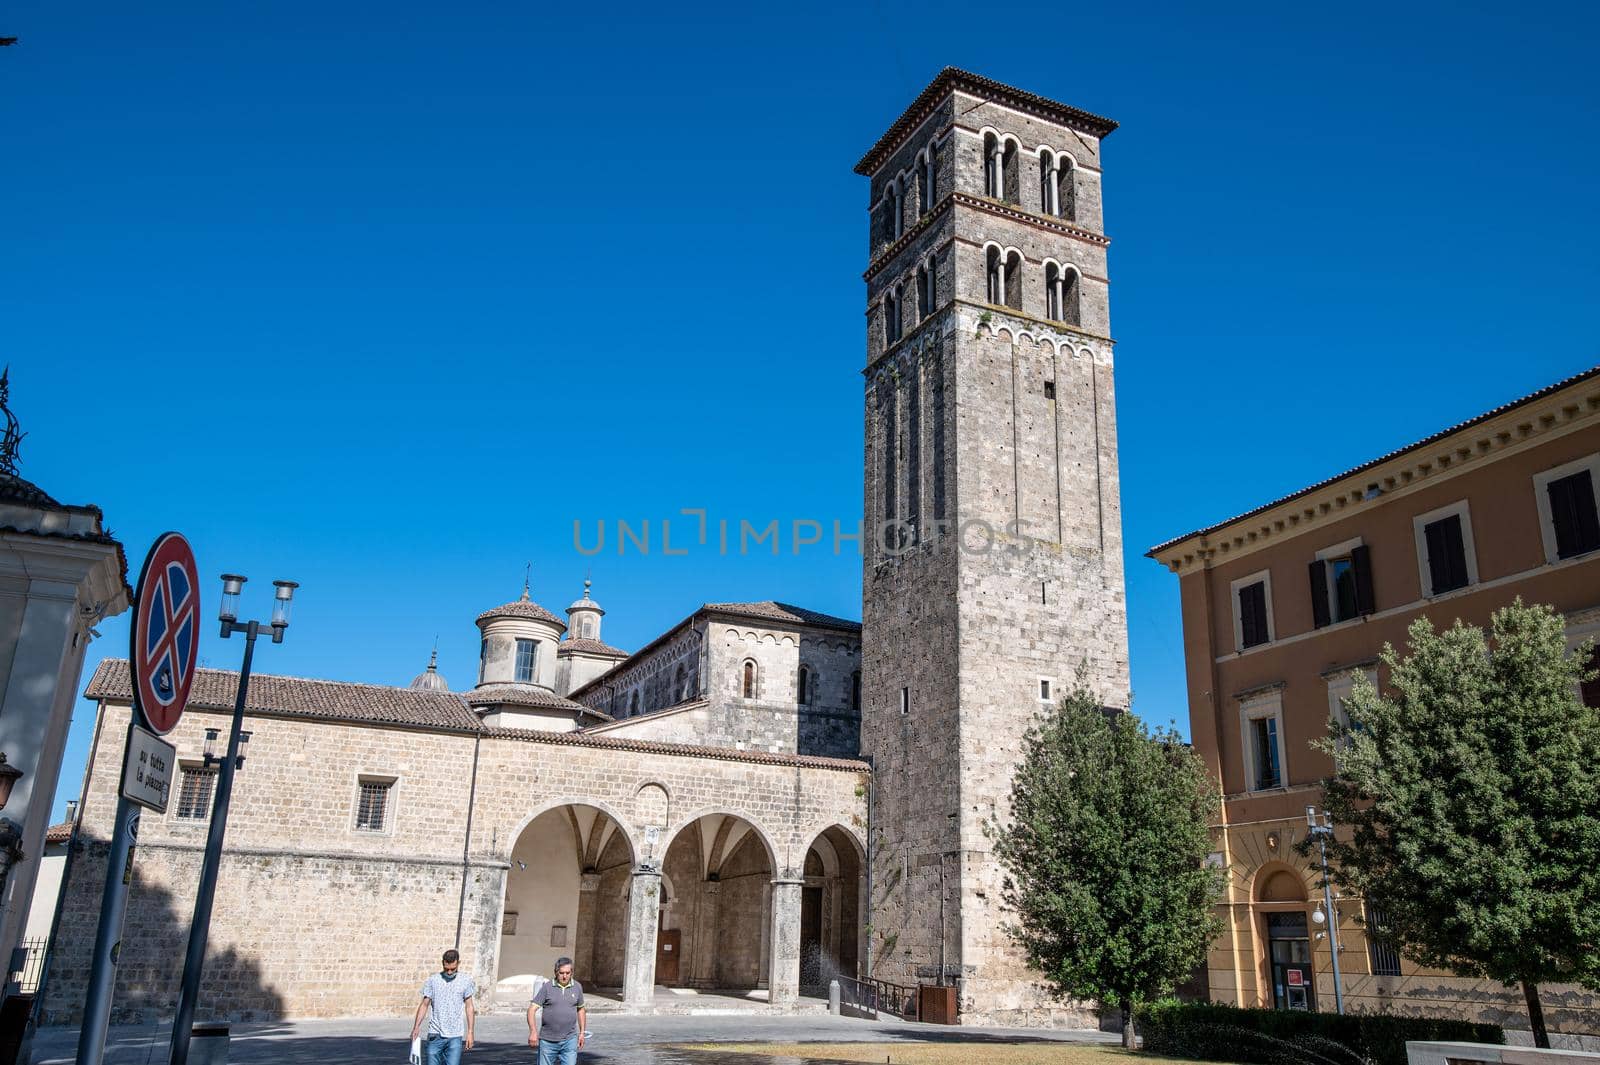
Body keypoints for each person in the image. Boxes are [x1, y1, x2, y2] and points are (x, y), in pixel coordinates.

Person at [411, 948, 476, 1064]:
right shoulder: (433, 980)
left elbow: (469, 1007)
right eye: (446, 969)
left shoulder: (466, 981)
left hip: (455, 1035)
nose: (449, 972)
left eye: (453, 969)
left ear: (458, 963)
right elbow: (424, 1005)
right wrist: (416, 1027)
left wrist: (470, 1032)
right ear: (442, 963)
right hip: (435, 1034)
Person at [526, 956, 586, 1065]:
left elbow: (581, 1009)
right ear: (556, 972)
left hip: (569, 1040)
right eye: (561, 973)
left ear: (571, 972)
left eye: (568, 973)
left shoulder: (577, 987)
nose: (565, 976)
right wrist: (533, 1032)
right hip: (547, 1042)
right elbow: (531, 1010)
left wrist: (582, 1033)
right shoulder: (547, 987)